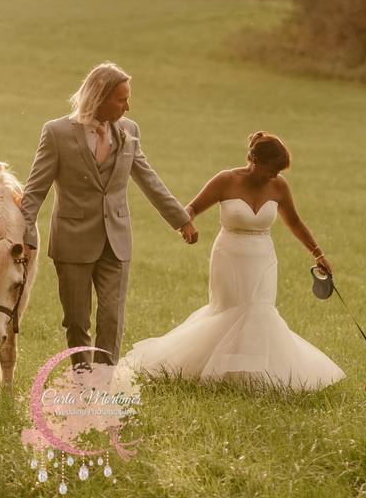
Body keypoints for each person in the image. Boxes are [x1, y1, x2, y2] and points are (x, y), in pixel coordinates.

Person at [122, 131, 345, 391]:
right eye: (272, 169)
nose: (275, 175)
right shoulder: (226, 180)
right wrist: (186, 225)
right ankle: (217, 370)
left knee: (260, 312)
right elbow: (192, 208)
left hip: (263, 257)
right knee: (228, 313)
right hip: (229, 254)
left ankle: (254, 376)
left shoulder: (279, 186)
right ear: (255, 160)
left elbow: (294, 221)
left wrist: (317, 253)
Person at [20, 62, 198, 368]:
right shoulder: (57, 133)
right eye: (121, 99)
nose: (128, 106)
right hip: (72, 241)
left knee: (112, 317)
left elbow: (147, 178)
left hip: (116, 239)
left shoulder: (130, 131)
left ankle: (104, 380)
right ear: (99, 97)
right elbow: (35, 190)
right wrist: (25, 236)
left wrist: (180, 219)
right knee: (76, 320)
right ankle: (81, 376)